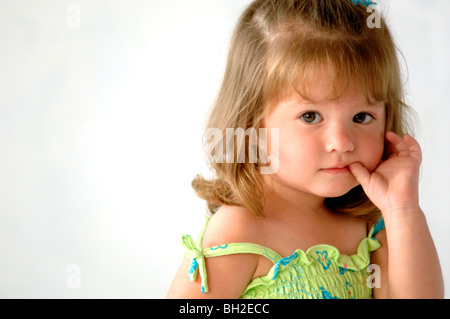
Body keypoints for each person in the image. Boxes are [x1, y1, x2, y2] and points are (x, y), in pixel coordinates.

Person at [167, 0, 444, 299]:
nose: (342, 142)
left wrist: (402, 210)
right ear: (253, 124)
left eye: (361, 117)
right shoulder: (238, 231)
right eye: (310, 116)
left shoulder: (374, 226)